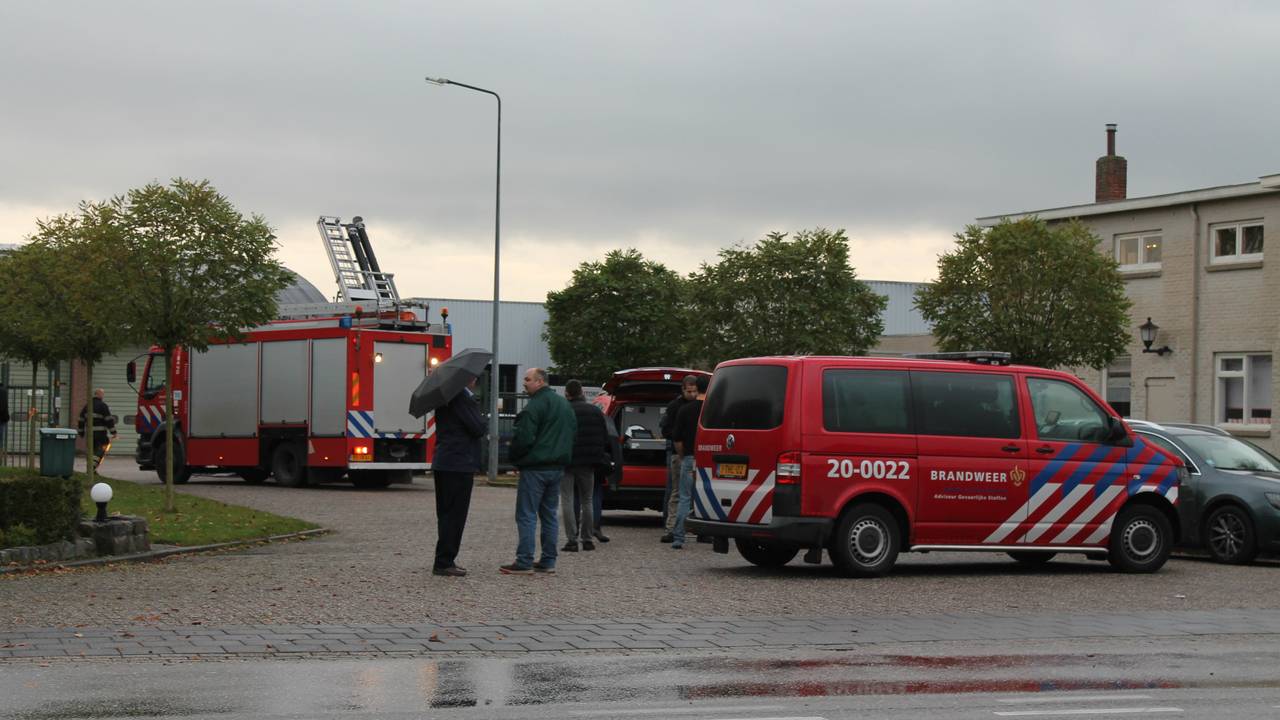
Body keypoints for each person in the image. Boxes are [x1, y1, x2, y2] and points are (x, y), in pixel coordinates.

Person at [501, 368, 576, 575]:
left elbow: (524, 438)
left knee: (526, 514)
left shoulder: (534, 407)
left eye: (527, 379)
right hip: (557, 467)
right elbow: (572, 433)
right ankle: (548, 560)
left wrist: (515, 459)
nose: (524, 383)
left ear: (540, 381)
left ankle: (524, 560)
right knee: (549, 515)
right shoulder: (564, 405)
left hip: (535, 468)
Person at [429, 375, 486, 577]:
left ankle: (443, 558)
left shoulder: (445, 398)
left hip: (444, 461)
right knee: (455, 515)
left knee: (445, 513)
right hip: (459, 464)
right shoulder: (462, 398)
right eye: (474, 377)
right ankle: (445, 561)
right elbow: (478, 428)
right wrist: (481, 416)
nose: (475, 380)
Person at [560, 380, 608, 552]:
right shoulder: (595, 411)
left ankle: (571, 540)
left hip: (567, 461)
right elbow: (603, 436)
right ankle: (587, 539)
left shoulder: (563, 411)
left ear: (567, 393)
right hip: (588, 463)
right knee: (587, 500)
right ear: (581, 392)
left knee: (567, 499)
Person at [669, 374, 708, 550]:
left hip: (689, 458)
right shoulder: (713, 410)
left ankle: (678, 536)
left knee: (684, 498)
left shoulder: (684, 410)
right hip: (709, 461)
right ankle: (708, 533)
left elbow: (676, 438)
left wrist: (683, 455)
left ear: (696, 388)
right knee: (706, 499)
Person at [659, 376, 698, 543]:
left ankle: (694, 528)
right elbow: (667, 430)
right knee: (677, 492)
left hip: (689, 453)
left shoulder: (695, 406)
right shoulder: (675, 406)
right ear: (682, 389)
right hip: (678, 453)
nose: (692, 394)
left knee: (687, 493)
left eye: (694, 391)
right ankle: (671, 528)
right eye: (689, 391)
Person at [77, 388, 117, 470]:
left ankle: (90, 469)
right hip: (100, 435)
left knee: (91, 451)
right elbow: (108, 420)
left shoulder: (87, 406)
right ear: (99, 395)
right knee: (100, 451)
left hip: (90, 434)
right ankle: (92, 468)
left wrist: (81, 432)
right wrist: (114, 432)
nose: (103, 396)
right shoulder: (103, 406)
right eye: (102, 394)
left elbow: (81, 420)